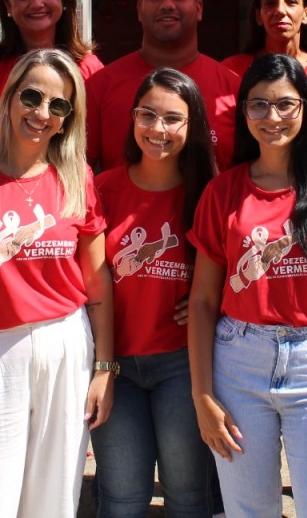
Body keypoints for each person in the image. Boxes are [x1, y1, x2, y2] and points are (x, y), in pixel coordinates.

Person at [0, 49, 115, 517]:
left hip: (65, 344)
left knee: (54, 499)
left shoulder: (77, 178)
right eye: (31, 96)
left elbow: (97, 281)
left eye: (59, 106)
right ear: (10, 96)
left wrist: (105, 368)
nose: (42, 113)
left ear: (69, 118)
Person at [188, 53, 307, 517]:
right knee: (250, 512)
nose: (272, 117)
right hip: (238, 365)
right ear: (244, 113)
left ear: (306, 108)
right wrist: (203, 395)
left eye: (285, 105)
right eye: (259, 106)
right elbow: (204, 301)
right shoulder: (223, 191)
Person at [91, 68, 218, 518]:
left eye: (172, 119)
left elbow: (232, 272)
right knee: (122, 500)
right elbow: (85, 279)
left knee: (187, 497)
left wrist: (211, 303)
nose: (158, 130)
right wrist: (100, 368)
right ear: (132, 118)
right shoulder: (103, 188)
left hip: (182, 367)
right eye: (148, 115)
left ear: (192, 126)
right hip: (115, 369)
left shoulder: (208, 194)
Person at [86, 0, 237, 172]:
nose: (167, 4)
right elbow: (78, 177)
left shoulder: (234, 90)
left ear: (199, 8)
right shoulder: (99, 87)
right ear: (139, 9)